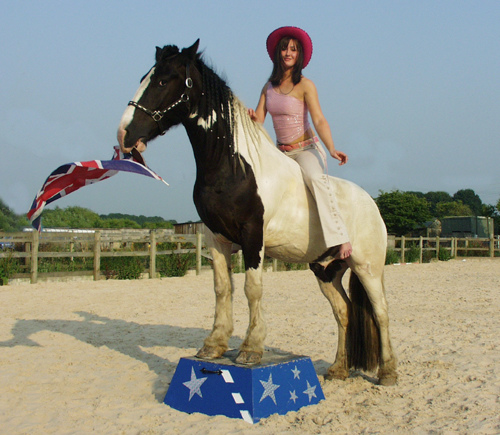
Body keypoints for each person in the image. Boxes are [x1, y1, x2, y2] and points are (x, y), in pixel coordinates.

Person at [248, 26, 352, 260]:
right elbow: (259, 120)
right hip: (280, 152)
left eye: (293, 49)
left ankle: (340, 236)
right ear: (278, 53)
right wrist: (251, 117)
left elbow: (319, 119)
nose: (288, 53)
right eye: (284, 48)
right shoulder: (268, 87)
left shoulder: (306, 85)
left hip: (305, 149)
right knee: (253, 179)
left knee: (315, 179)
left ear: (299, 55)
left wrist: (331, 148)